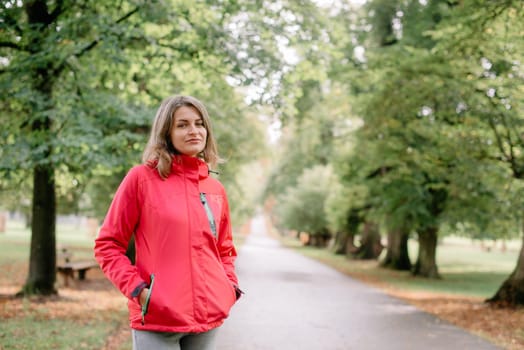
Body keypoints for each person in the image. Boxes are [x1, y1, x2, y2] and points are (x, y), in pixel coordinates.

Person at [94, 95, 242, 350]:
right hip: (158, 317)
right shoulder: (141, 179)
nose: (193, 131)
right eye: (182, 125)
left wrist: (229, 287)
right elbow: (107, 245)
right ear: (167, 132)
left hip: (209, 316)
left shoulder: (214, 188)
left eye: (199, 123)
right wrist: (140, 292)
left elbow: (224, 249)